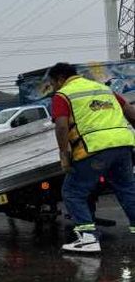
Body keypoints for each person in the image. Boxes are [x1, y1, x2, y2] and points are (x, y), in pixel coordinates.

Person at [49, 62, 135, 253]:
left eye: (53, 83)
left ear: (60, 79)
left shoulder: (63, 95)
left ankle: (88, 239)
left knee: (73, 192)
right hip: (123, 146)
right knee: (128, 190)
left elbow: (62, 126)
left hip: (94, 149)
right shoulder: (103, 89)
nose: (53, 88)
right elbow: (130, 112)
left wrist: (64, 154)